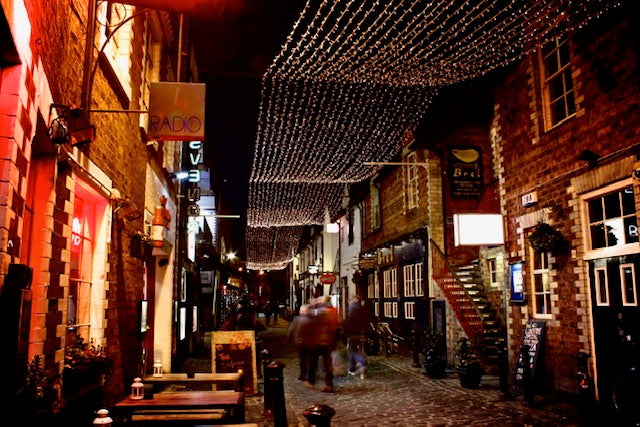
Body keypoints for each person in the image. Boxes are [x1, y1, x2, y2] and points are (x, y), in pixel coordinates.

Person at [307, 296, 338, 392]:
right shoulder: (333, 311)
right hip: (328, 341)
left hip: (318, 341)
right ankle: (329, 384)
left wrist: (312, 305)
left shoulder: (320, 312)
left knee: (313, 361)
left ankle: (311, 381)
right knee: (327, 363)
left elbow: (310, 319)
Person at [287, 304, 313, 381]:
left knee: (302, 359)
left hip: (299, 343)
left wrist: (289, 338)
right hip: (310, 342)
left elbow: (291, 330)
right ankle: (309, 374)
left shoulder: (296, 319)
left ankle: (303, 374)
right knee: (309, 358)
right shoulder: (312, 319)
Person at [346, 295, 368, 379]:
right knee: (357, 350)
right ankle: (352, 368)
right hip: (361, 333)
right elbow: (366, 321)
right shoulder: (362, 308)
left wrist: (346, 332)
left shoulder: (351, 309)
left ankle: (360, 364)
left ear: (354, 300)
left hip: (352, 333)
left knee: (354, 350)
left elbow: (348, 322)